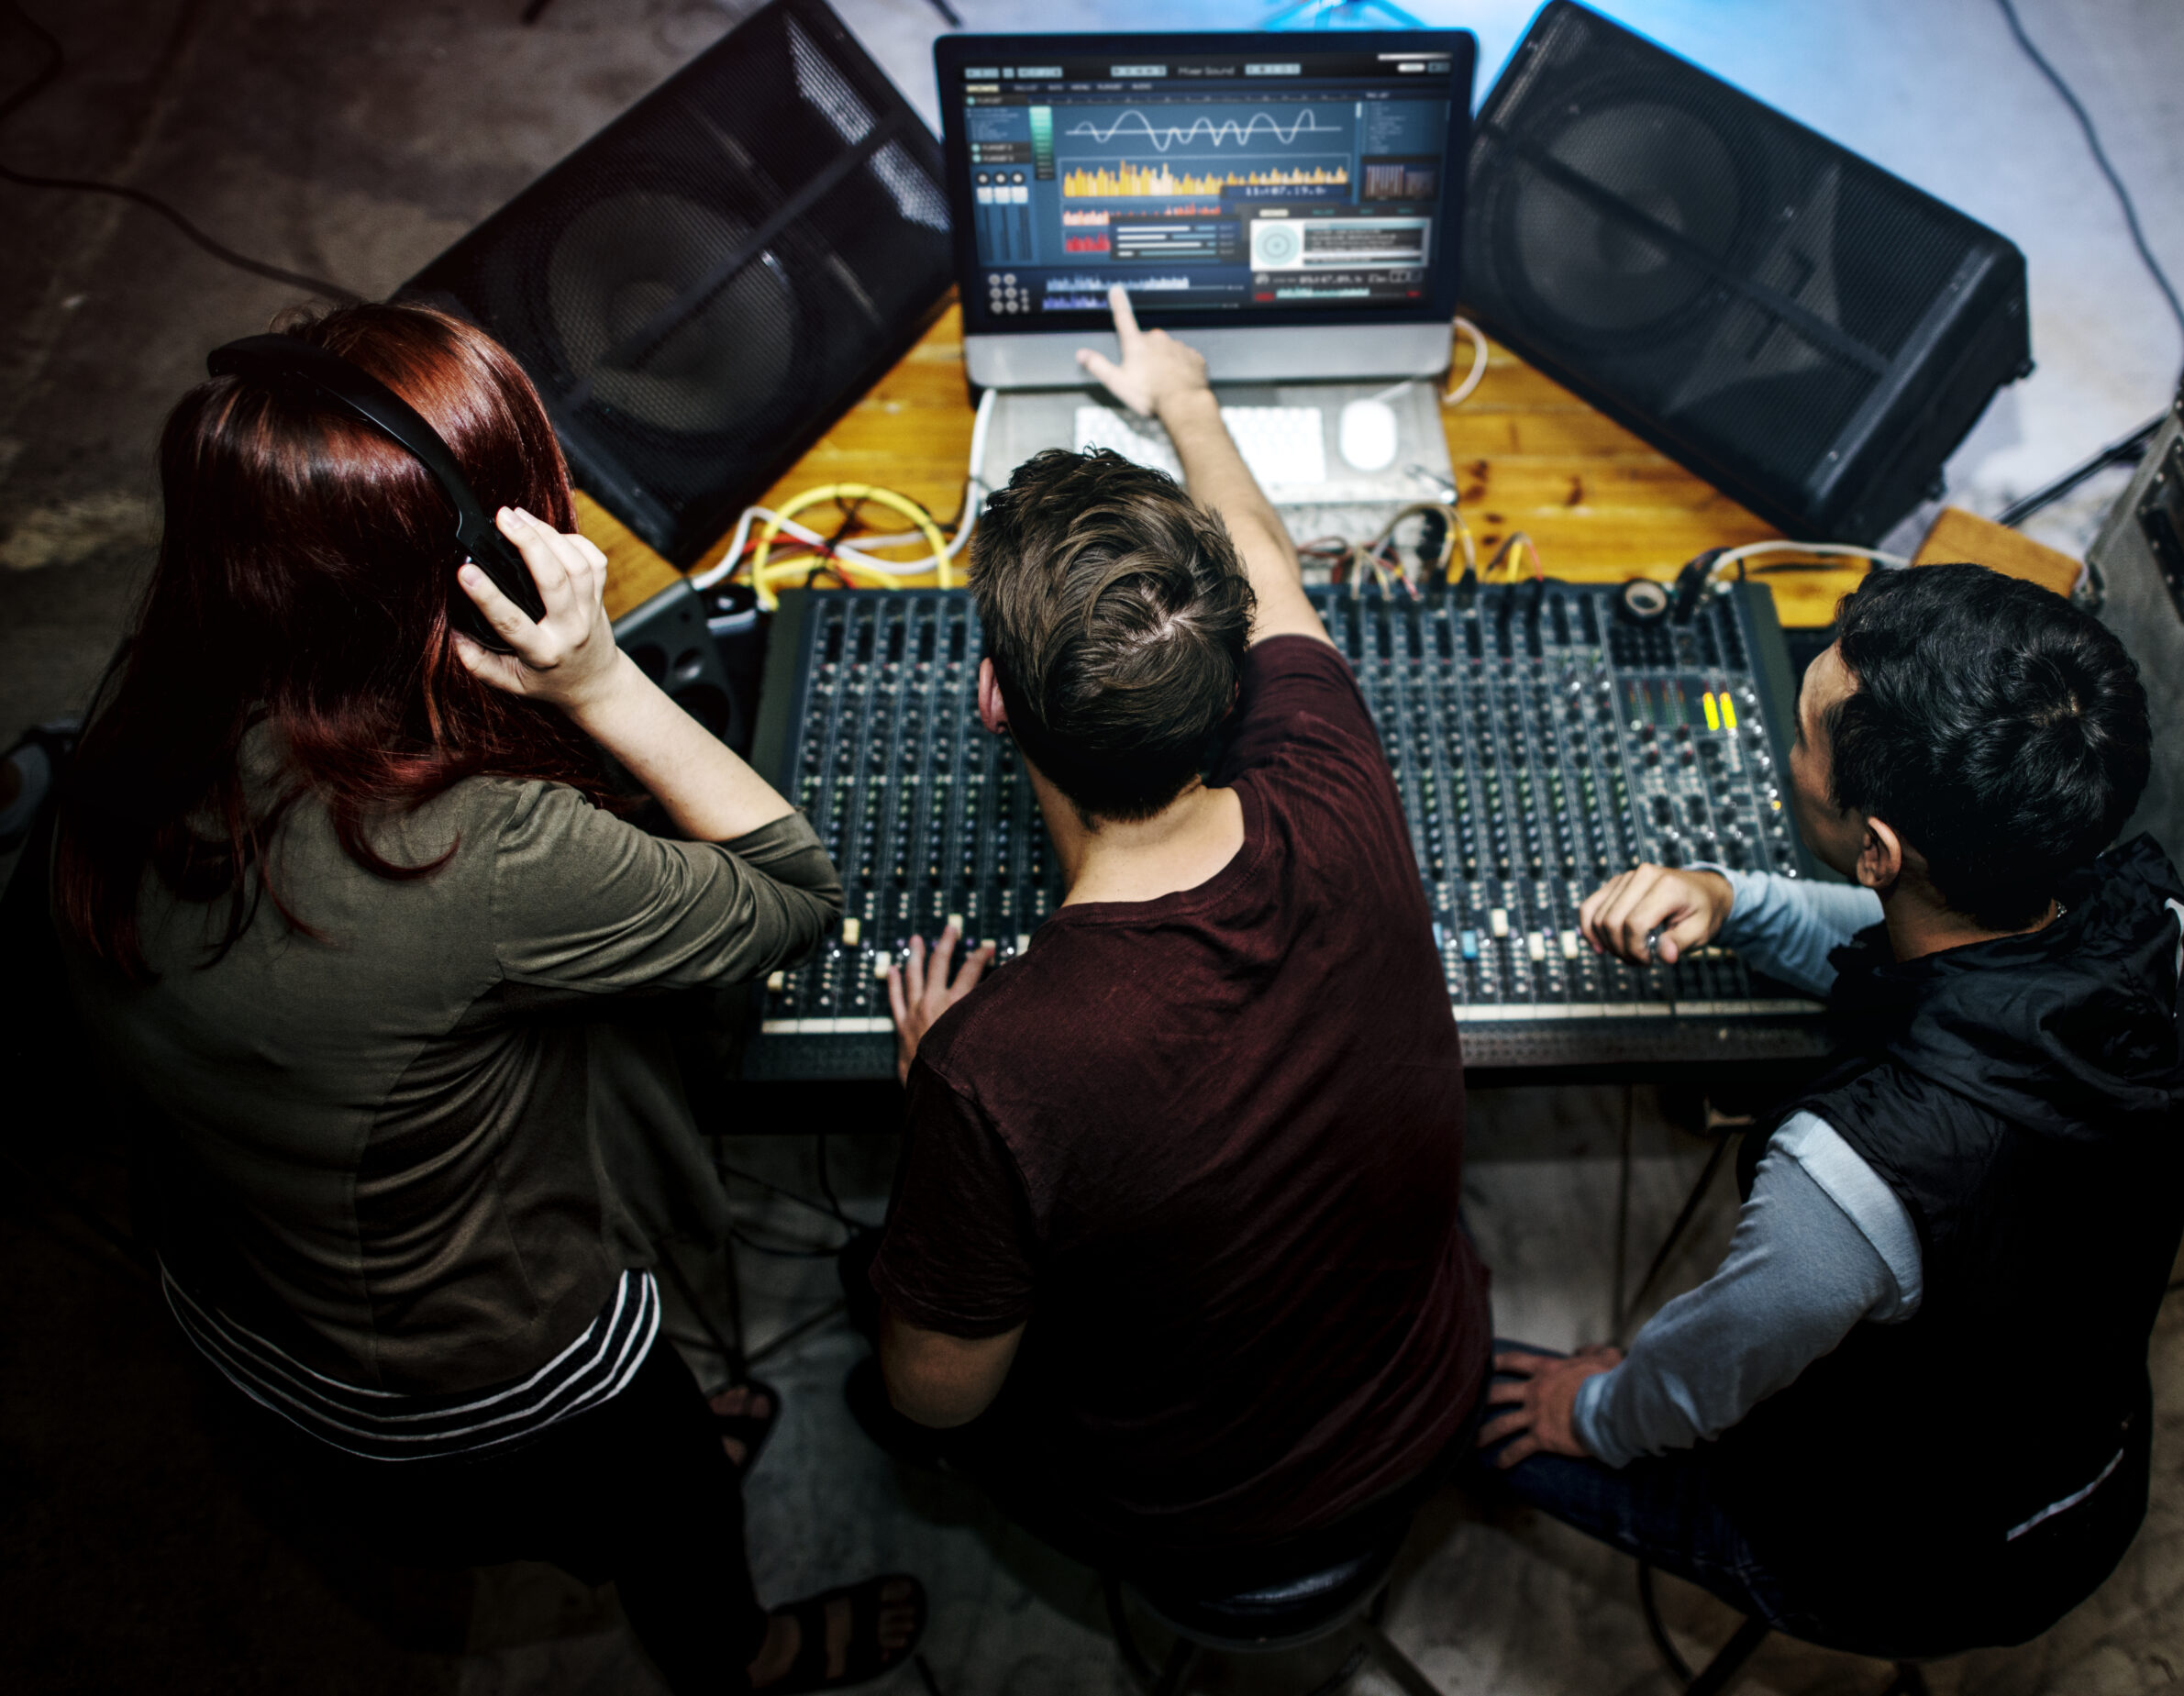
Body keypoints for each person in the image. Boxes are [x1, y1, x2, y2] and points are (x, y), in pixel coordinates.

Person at [51, 303, 923, 1693]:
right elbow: (790, 896)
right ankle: (739, 1653)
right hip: (476, 1369)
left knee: (666, 1443)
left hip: (234, 1299)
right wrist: (600, 677)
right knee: (668, 1503)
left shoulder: (136, 714)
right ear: (470, 571)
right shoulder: (487, 849)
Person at [1476, 562, 2184, 1657]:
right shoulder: (2154, 924)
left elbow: (1708, 1372)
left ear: (1879, 847)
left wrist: (1596, 1409)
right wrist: (1733, 899)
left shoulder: (1845, 1182)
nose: (1786, 746)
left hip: (1908, 1563)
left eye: (1800, 736)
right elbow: (1937, 958)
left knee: (1447, 1400)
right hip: (2090, 1463)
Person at [859, 286, 1490, 1580]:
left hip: (1206, 1509)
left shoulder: (998, 1068)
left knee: (879, 1381)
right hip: (1430, 1385)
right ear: (1237, 678)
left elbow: (941, 1399)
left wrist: (935, 1095)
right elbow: (1263, 553)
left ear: (998, 704)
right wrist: (1186, 399)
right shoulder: (1331, 760)